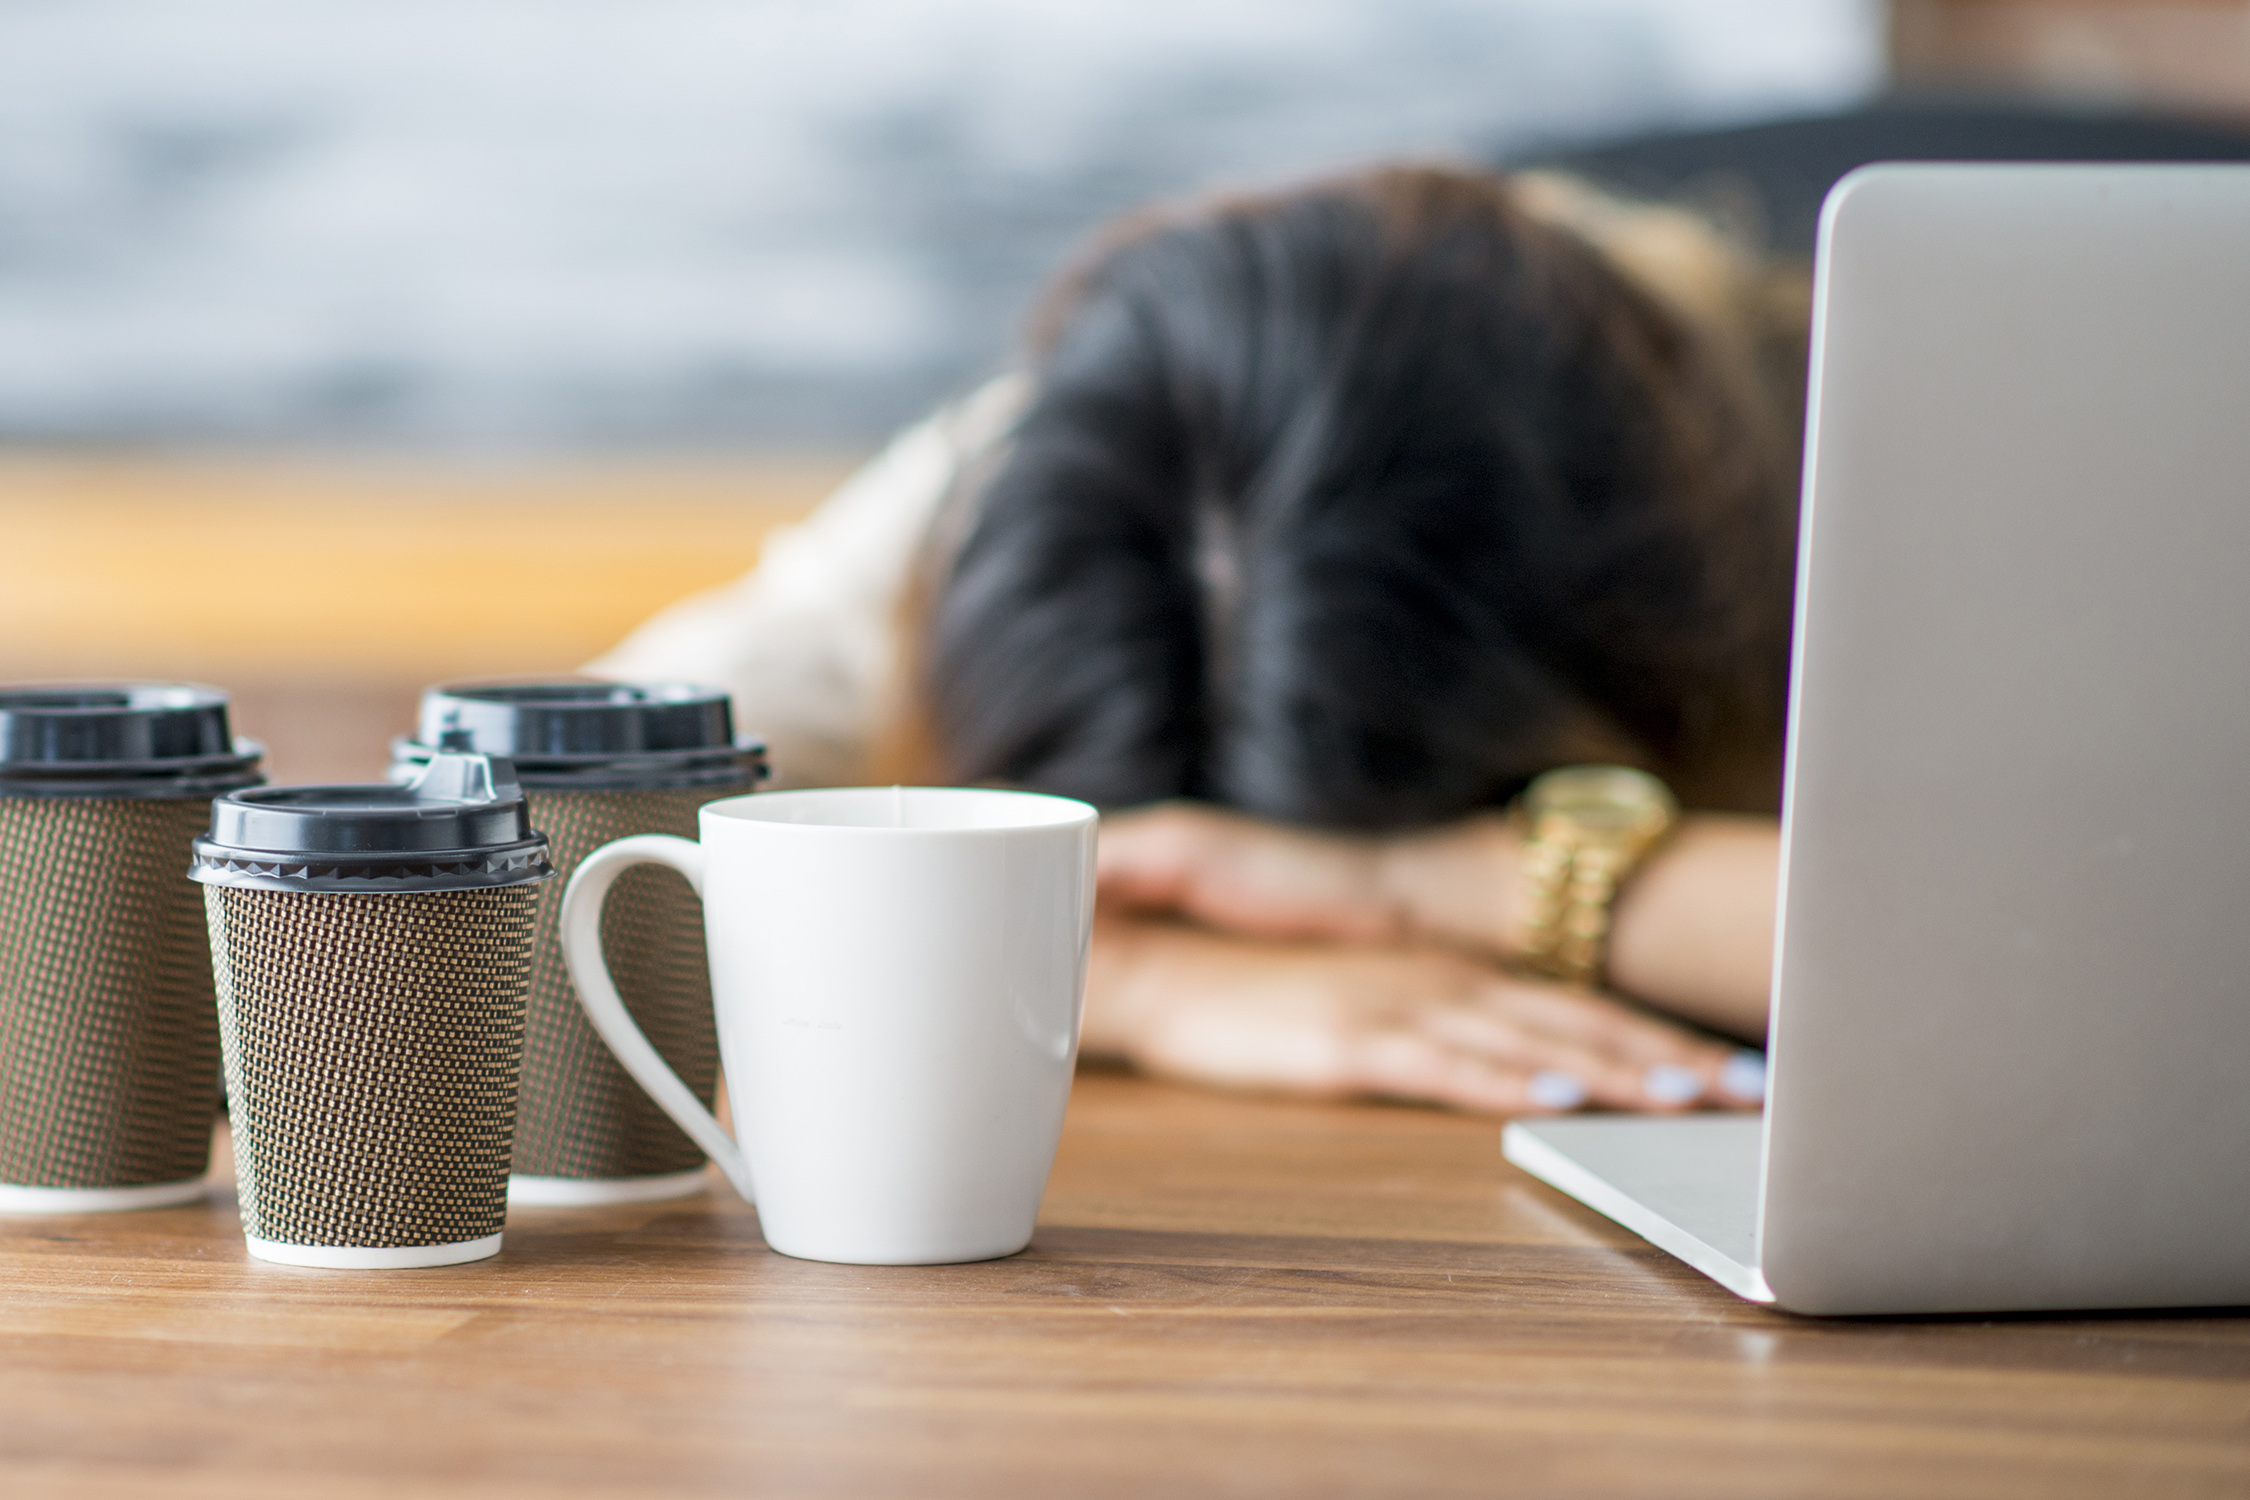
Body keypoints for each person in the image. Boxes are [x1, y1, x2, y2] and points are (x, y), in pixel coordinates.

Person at [590, 164, 1803, 1116]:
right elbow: (520, 873)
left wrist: (1430, 885)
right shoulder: (1050, 472)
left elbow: (1991, 959)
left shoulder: (1849, 440)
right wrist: (1127, 983)